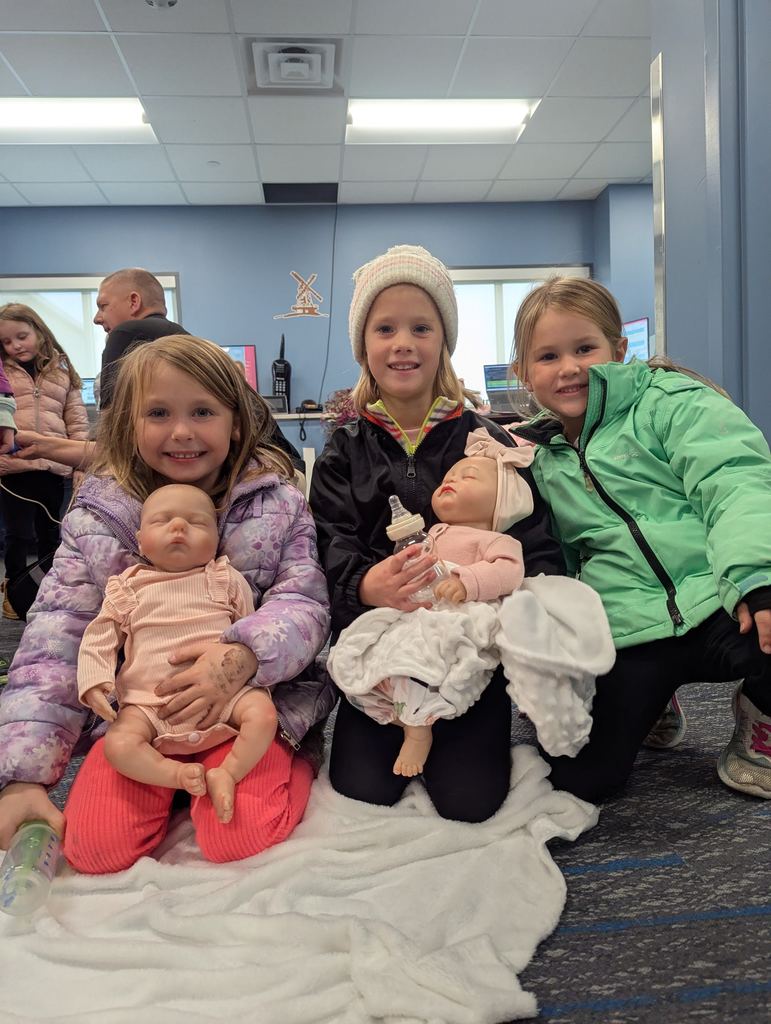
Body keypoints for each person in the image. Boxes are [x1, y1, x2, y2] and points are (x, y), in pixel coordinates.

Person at [0, 335, 332, 872]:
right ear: (130, 425)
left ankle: (288, 762)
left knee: (238, 838)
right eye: (158, 412)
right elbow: (56, 639)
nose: (181, 431)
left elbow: (305, 603)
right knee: (95, 852)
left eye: (202, 411)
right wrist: (23, 776)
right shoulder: (98, 517)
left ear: (237, 423)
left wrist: (243, 656)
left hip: (242, 709)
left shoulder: (279, 503)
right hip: (142, 719)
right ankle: (173, 785)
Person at [309, 244, 564, 822]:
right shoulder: (344, 450)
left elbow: (534, 542)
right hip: (383, 651)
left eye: (421, 327)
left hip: (467, 648)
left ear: (443, 340)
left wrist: (489, 600)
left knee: (470, 802)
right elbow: (327, 539)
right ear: (363, 345)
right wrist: (365, 587)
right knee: (362, 788)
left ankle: (458, 721)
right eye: (385, 328)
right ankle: (402, 724)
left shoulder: (486, 439)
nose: (403, 342)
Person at [511, 276, 771, 802]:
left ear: (620, 349)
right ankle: (656, 699)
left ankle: (758, 720)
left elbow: (735, 482)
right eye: (548, 357)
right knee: (584, 783)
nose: (569, 368)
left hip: (715, 597)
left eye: (585, 348)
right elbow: (553, 559)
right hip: (629, 627)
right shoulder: (532, 456)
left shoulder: (671, 402)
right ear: (523, 372)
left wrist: (756, 580)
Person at [328, 427, 533, 777]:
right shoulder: (434, 531)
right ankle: (395, 708)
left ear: (502, 503)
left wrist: (468, 582)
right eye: (449, 476)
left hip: (457, 614)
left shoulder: (496, 539)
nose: (451, 479)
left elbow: (510, 572)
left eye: (467, 476)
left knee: (427, 655)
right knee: (370, 647)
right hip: (418, 609)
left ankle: (418, 726)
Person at [78, 484, 279, 825]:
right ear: (140, 540)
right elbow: (100, 634)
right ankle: (175, 776)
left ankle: (227, 772)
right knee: (119, 745)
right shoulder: (128, 585)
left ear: (217, 539)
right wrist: (94, 679)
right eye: (163, 520)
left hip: (225, 699)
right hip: (150, 705)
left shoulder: (223, 577)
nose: (178, 527)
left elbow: (251, 628)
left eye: (196, 522)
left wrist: (246, 669)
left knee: (263, 716)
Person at [0, 304, 89, 619]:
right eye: (6, 343)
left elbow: (77, 423)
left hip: (53, 468)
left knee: (52, 533)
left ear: (39, 331)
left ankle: (51, 590)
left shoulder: (62, 371)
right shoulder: (2, 371)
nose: (15, 347)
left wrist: (80, 464)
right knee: (18, 534)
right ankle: (13, 593)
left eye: (21, 337)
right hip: (13, 470)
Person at [94, 267, 186, 410]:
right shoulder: (189, 340)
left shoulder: (124, 333)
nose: (96, 319)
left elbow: (111, 416)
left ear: (134, 302)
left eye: (103, 306)